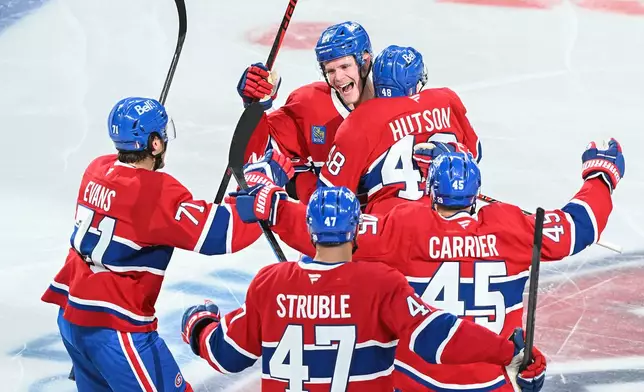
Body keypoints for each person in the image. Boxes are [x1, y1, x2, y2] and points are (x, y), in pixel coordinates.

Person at [231, 137, 626, 391]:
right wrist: (600, 177)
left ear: (430, 191)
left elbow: (333, 228)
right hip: (491, 373)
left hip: (415, 376)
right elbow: (578, 227)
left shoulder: (406, 225)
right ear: (476, 195)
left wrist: (274, 204)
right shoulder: (513, 224)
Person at [40, 97, 294, 391]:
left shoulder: (97, 168)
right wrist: (263, 182)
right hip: (116, 327)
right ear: (155, 144)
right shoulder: (154, 192)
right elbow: (224, 234)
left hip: (72, 316)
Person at [180, 186, 543, 391]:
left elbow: (227, 355)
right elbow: (438, 337)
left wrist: (199, 324)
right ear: (356, 231)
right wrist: (508, 350)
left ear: (310, 231)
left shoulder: (270, 283)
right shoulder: (380, 284)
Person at [318, 44, 482, 214]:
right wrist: (452, 152)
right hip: (440, 223)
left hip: (385, 225)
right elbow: (475, 154)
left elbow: (329, 194)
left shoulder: (360, 119)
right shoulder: (445, 100)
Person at [238, 21, 376, 203]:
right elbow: (258, 158)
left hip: (385, 226)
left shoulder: (397, 101)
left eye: (344, 66)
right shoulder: (309, 104)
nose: (338, 78)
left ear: (364, 62)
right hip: (328, 227)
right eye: (331, 70)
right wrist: (257, 106)